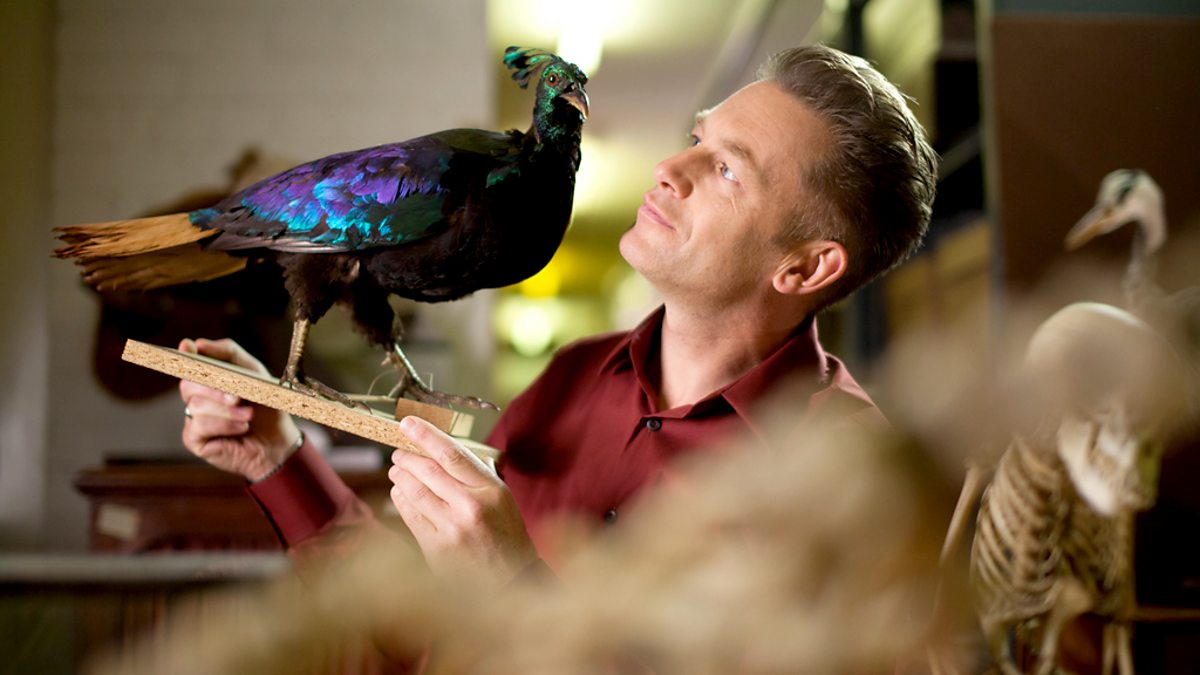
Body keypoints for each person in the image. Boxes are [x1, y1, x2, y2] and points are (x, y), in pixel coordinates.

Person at [179, 44, 937, 587]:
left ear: (805, 268)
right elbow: (415, 630)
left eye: (727, 169)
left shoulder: (855, 483)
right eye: (695, 139)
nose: (669, 169)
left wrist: (515, 587)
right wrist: (276, 454)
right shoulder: (570, 379)